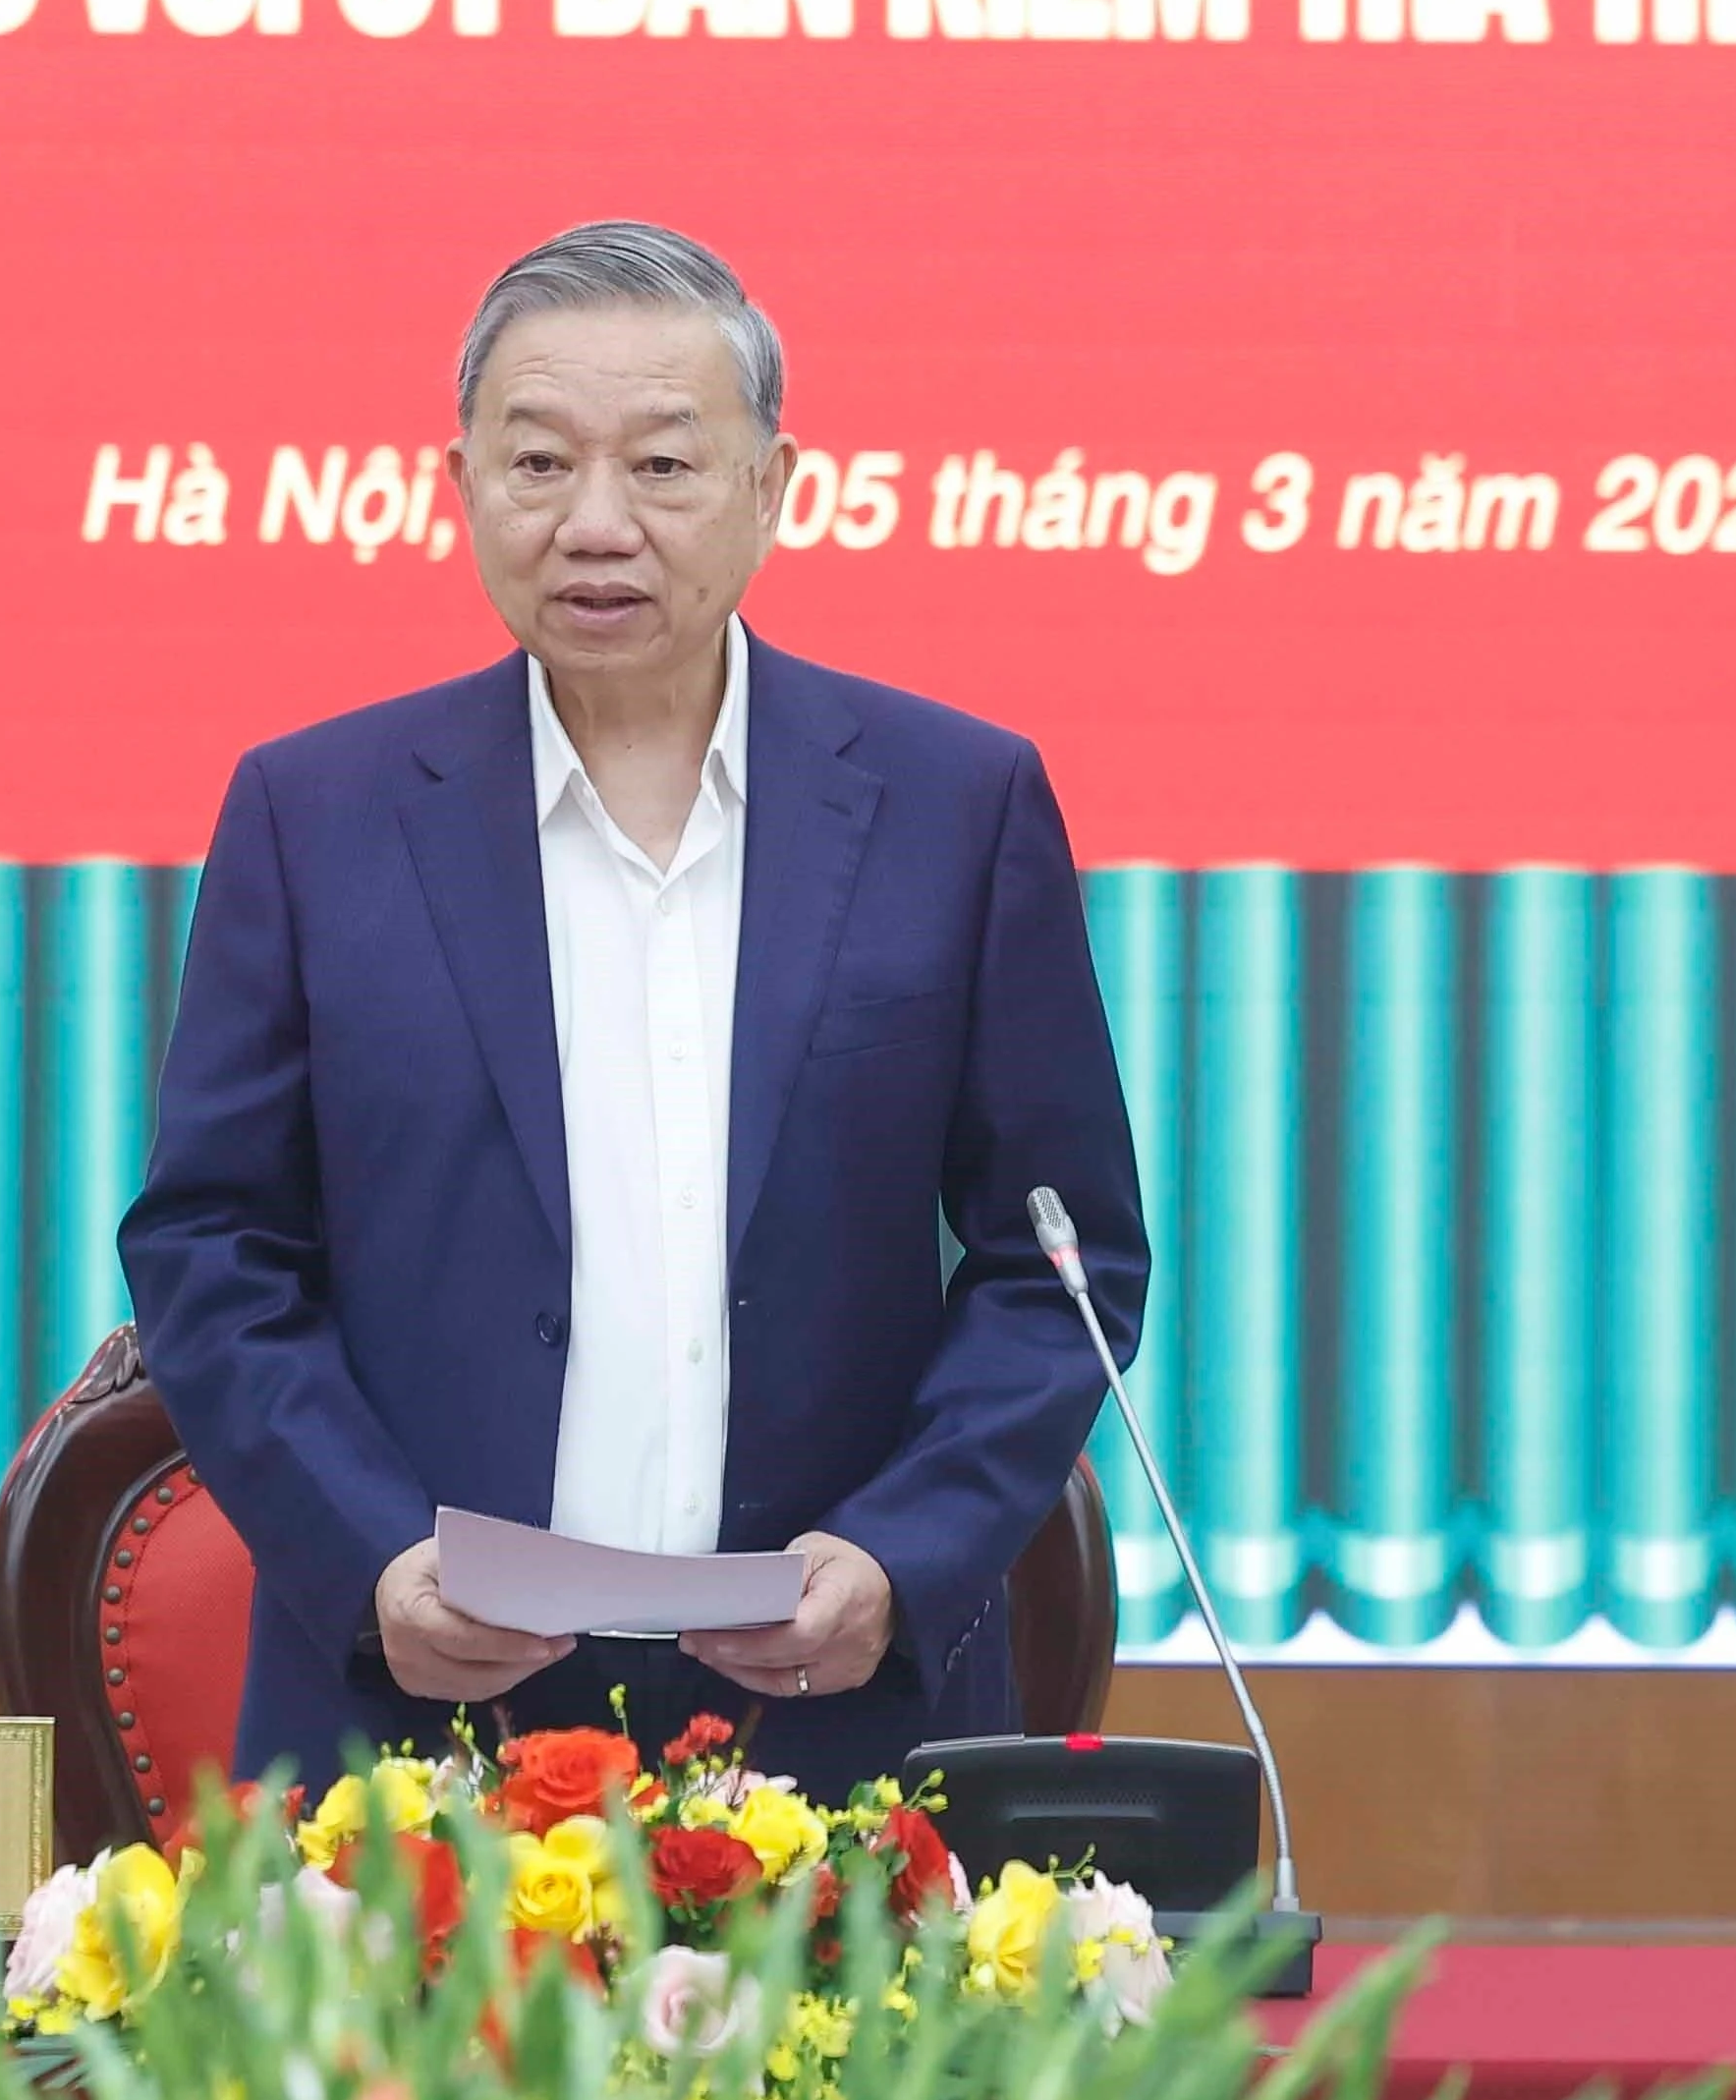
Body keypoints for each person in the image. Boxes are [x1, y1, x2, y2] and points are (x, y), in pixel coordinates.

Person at [120, 222, 1152, 1794]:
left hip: (832, 1727)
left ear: (772, 488)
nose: (595, 525)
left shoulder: (956, 805)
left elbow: (1060, 1261)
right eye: (539, 464)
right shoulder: (312, 814)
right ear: (459, 480)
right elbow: (212, 1250)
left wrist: (897, 1554)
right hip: (415, 1735)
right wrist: (377, 1563)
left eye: (662, 468)